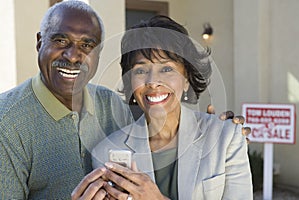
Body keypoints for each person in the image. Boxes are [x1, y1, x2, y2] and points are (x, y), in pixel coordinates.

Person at [72, 16, 253, 200]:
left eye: (166, 69)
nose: (152, 82)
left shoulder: (226, 137)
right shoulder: (106, 154)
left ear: (186, 79)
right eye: (140, 71)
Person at [0, 1, 133, 199]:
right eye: (61, 41)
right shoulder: (7, 121)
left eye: (87, 45)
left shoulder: (113, 106)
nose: (72, 57)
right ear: (39, 42)